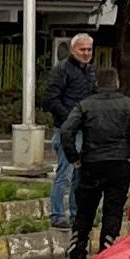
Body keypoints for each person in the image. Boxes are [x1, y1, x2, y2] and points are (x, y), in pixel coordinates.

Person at [62, 67, 130, 259]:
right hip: (119, 165)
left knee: (84, 211)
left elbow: (66, 131)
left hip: (91, 164)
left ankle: (77, 253)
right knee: (113, 210)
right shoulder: (129, 106)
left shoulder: (84, 105)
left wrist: (73, 157)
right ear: (117, 83)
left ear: (97, 84)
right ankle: (106, 252)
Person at [39, 32, 98, 227]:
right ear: (73, 50)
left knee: (80, 177)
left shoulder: (90, 71)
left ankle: (75, 214)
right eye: (83, 49)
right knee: (65, 174)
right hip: (68, 131)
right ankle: (57, 215)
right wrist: (71, 119)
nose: (86, 53)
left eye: (89, 49)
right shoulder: (62, 70)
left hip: (86, 131)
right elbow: (50, 99)